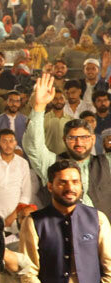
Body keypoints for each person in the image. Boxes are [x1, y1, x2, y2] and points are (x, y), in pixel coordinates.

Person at [26, 72, 111, 218]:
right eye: (73, 138)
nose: (79, 143)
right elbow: (33, 146)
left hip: (102, 230)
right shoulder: (53, 163)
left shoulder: (106, 162)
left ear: (92, 139)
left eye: (84, 137)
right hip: (62, 229)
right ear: (64, 139)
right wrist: (39, 107)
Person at [0, 129, 33, 228]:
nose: (8, 145)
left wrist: (13, 216)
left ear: (16, 143)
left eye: (11, 141)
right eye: (4, 141)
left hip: (17, 216)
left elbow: (26, 194)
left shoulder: (23, 163)